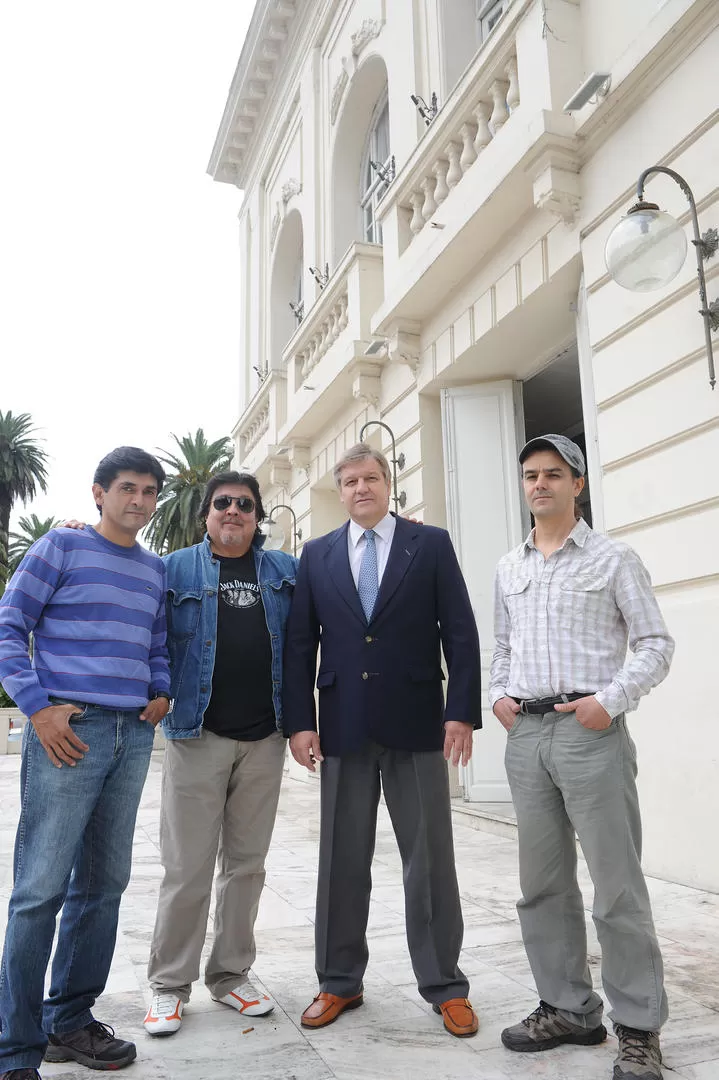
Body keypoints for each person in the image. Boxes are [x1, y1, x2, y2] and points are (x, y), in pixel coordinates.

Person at [489, 433, 674, 1080]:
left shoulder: (613, 558)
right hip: (526, 737)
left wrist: (611, 700)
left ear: (577, 484)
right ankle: (567, 1008)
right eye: (529, 476)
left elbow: (654, 644)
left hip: (589, 734)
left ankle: (638, 1028)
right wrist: (498, 696)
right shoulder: (508, 566)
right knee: (540, 886)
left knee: (615, 890)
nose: (538, 484)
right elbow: (502, 646)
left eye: (552, 474)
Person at [283, 443, 482, 1038]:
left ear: (388, 484)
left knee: (429, 860)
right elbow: (299, 646)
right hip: (342, 726)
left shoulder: (432, 544)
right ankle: (338, 981)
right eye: (349, 481)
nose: (360, 488)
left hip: (419, 723)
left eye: (371, 477)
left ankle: (445, 984)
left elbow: (462, 633)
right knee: (342, 861)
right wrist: (300, 721)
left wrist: (460, 712)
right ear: (340, 491)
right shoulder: (315, 556)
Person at [0, 447, 170, 1080]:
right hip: (70, 733)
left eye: (150, 492)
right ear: (99, 494)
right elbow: (9, 624)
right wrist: (37, 709)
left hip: (131, 736)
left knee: (103, 886)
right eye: (128, 489)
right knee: (39, 890)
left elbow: (155, 639)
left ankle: (69, 1023)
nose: (140, 502)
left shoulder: (153, 570)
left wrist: (159, 689)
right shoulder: (59, 549)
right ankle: (15, 1050)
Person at [142, 471, 297, 1036]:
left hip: (265, 739)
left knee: (247, 867)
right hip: (196, 735)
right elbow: (146, 625)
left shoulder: (285, 572)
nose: (233, 511)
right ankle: (168, 984)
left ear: (258, 517)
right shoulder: (173, 569)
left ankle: (231, 975)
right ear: (206, 513)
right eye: (222, 503)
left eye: (245, 505)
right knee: (186, 868)